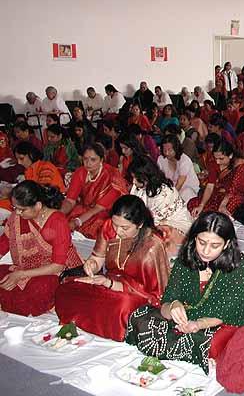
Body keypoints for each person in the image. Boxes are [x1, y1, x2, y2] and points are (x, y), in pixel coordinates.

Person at [125, 211, 244, 374]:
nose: (206, 251)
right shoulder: (187, 258)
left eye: (215, 245)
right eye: (202, 242)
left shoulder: (238, 265)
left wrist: (197, 324)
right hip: (189, 316)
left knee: (215, 345)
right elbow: (169, 298)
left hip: (226, 320)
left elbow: (226, 310)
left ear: (227, 244)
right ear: (194, 238)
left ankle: (199, 348)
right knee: (140, 318)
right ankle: (188, 347)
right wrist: (173, 306)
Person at [55, 195, 170, 341]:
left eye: (125, 228)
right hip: (107, 283)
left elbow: (155, 294)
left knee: (123, 305)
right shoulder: (108, 227)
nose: (118, 231)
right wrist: (91, 264)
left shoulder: (152, 245)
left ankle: (107, 324)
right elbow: (97, 258)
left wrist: (111, 284)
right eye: (115, 225)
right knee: (67, 288)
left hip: (134, 295)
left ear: (140, 224)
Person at [0, 181, 82, 316]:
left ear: (38, 205)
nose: (17, 213)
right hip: (25, 268)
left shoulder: (57, 221)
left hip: (56, 272)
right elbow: (4, 242)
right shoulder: (16, 217)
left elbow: (58, 266)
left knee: (39, 289)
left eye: (22, 209)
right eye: (15, 208)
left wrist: (21, 275)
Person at [61, 143, 129, 238]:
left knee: (98, 222)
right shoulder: (80, 172)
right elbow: (70, 200)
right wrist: (59, 214)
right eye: (85, 159)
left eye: (93, 160)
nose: (88, 163)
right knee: (67, 216)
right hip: (85, 209)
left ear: (101, 160)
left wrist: (77, 222)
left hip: (104, 212)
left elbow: (97, 209)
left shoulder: (112, 176)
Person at [128, 155, 193, 256]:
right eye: (132, 177)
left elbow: (155, 222)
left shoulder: (164, 192)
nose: (133, 181)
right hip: (151, 222)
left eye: (136, 178)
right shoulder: (139, 187)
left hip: (174, 223)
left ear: (146, 177)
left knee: (156, 237)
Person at [188, 140, 244, 217]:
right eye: (215, 158)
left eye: (221, 158)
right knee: (193, 203)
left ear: (230, 155)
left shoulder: (240, 165)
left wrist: (223, 205)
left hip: (234, 195)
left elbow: (233, 189)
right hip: (219, 193)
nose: (217, 162)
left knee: (227, 209)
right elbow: (210, 186)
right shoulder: (213, 163)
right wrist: (201, 205)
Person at [157, 135, 199, 203]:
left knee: (186, 193)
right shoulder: (161, 159)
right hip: (170, 190)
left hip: (187, 189)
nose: (167, 153)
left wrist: (170, 198)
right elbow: (160, 178)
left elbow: (180, 183)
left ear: (176, 149)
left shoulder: (185, 160)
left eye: (170, 150)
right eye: (165, 150)